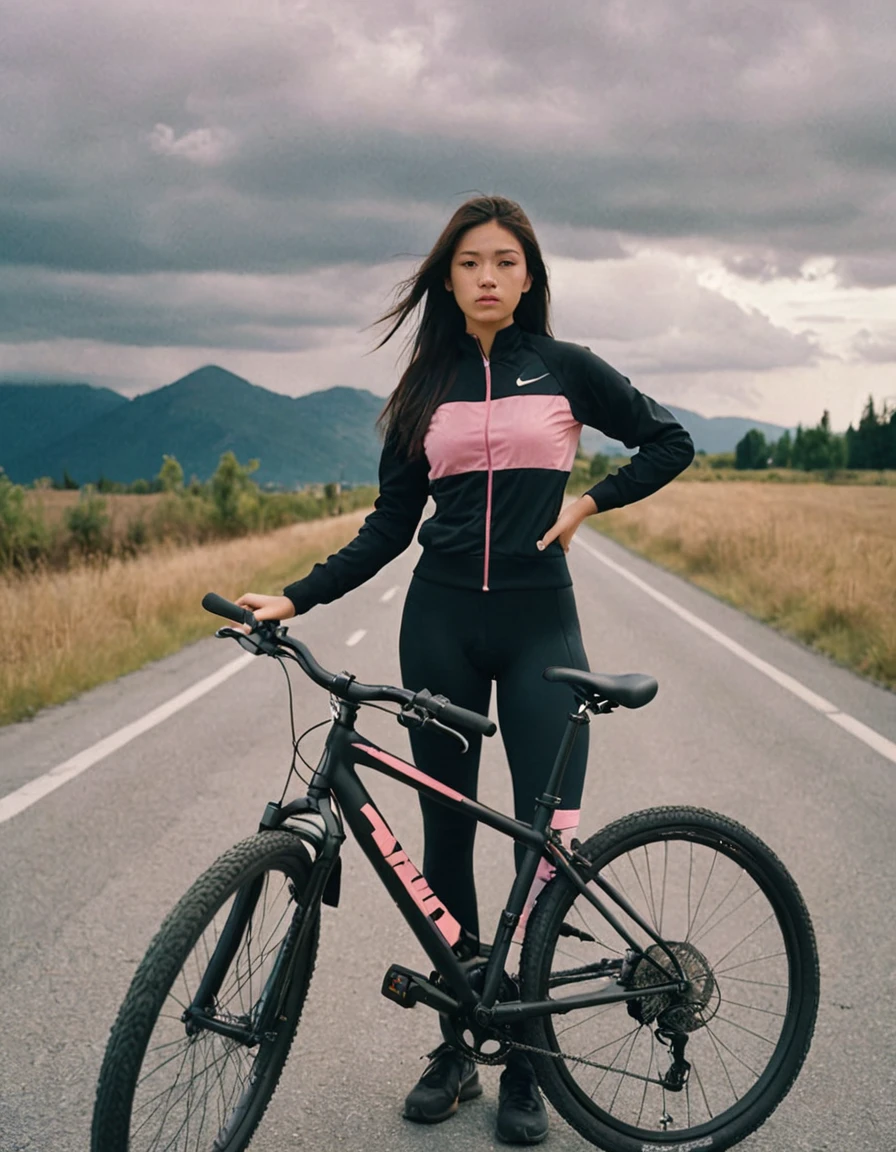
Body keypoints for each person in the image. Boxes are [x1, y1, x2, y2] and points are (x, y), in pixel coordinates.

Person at [237, 195, 695, 1144]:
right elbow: (387, 527)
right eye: (470, 263)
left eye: (506, 261)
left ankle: (528, 1057)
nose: (488, 276)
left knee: (544, 842)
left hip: (541, 632)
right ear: (448, 279)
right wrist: (297, 594)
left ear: (529, 277)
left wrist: (590, 504)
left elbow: (669, 439)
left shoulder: (564, 370)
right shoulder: (424, 386)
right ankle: (460, 1041)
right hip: (439, 627)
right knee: (442, 844)